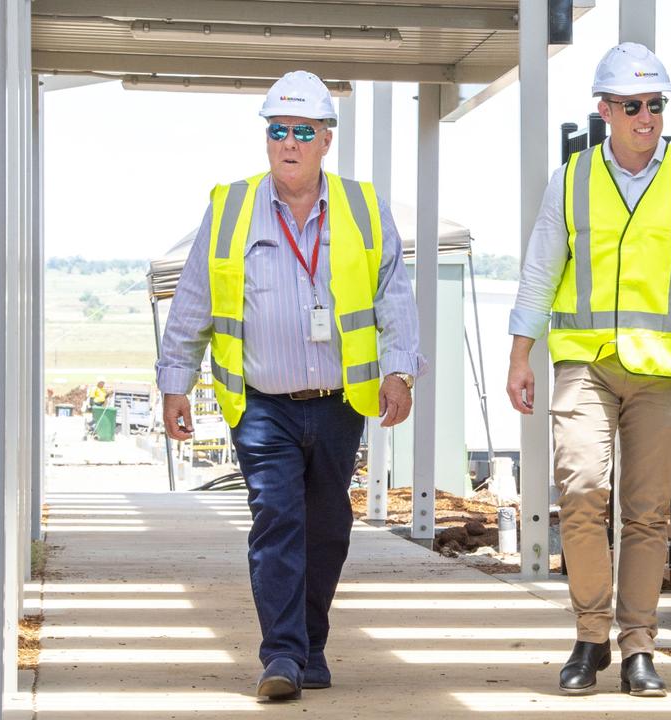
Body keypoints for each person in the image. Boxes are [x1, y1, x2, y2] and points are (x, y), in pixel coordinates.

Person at [157, 70, 424, 701]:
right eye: (278, 130)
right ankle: (280, 656)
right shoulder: (230, 208)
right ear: (267, 139)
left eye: (304, 131)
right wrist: (175, 382)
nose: (290, 143)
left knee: (328, 528)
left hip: (339, 404)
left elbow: (394, 298)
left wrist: (400, 370)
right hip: (261, 405)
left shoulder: (362, 206)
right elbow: (194, 299)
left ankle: (311, 645)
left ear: (327, 139)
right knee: (276, 518)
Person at [506, 43, 671, 697]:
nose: (646, 117)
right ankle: (589, 634)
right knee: (580, 491)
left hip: (663, 370)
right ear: (605, 109)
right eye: (633, 106)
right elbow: (538, 272)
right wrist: (520, 355)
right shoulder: (573, 179)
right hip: (584, 361)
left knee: (645, 512)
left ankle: (638, 645)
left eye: (656, 105)